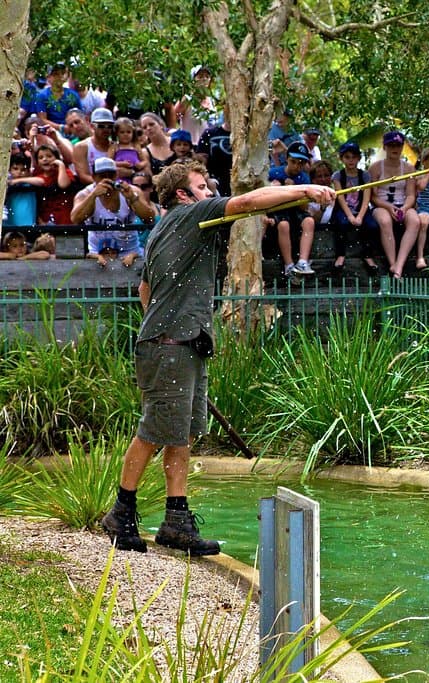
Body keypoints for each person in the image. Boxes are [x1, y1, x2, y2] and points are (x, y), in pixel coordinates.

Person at [100, 159, 335, 555]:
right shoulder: (191, 214)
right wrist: (305, 191)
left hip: (182, 343)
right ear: (183, 194)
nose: (209, 193)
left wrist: (166, 324)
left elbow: (145, 289)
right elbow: (248, 202)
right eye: (203, 187)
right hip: (170, 346)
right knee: (153, 431)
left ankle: (176, 520)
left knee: (181, 433)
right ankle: (120, 514)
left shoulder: (161, 230)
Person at [71, 157, 156, 266]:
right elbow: (75, 219)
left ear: (116, 175)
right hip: (98, 254)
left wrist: (132, 198)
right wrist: (93, 196)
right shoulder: (84, 194)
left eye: (110, 175)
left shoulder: (132, 191)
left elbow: (149, 218)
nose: (107, 179)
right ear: (94, 177)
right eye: (102, 176)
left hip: (130, 253)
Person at [369, 130, 420, 278]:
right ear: (384, 147)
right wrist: (388, 207)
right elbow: (373, 196)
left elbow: (411, 195)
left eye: (398, 145)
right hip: (382, 205)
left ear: (402, 147)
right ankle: (392, 263)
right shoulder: (375, 168)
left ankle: (399, 265)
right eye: (391, 145)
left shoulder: (409, 168)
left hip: (403, 204)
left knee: (415, 221)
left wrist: (404, 208)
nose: (394, 149)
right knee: (385, 221)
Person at [331, 141, 381, 273]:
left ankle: (368, 255)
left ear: (358, 158)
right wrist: (350, 216)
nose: (351, 160)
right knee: (341, 224)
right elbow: (340, 198)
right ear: (342, 158)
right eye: (347, 157)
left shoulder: (365, 175)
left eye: (354, 157)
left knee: (372, 226)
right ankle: (340, 255)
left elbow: (366, 199)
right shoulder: (338, 176)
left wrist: (359, 216)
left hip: (361, 209)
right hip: (344, 209)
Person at [268, 141, 315, 276]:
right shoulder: (273, 173)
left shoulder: (304, 179)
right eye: (293, 162)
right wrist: (275, 189)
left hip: (296, 210)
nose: (296, 166)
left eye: (301, 163)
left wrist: (294, 190)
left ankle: (303, 262)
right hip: (278, 210)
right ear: (287, 159)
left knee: (309, 221)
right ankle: (288, 264)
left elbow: (304, 206)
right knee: (283, 225)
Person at [72, 107, 115, 185]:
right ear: (92, 126)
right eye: (101, 126)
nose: (106, 129)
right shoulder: (81, 147)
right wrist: (105, 184)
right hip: (92, 187)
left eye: (110, 126)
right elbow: (83, 176)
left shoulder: (116, 146)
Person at [30, 63, 82, 127]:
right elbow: (42, 120)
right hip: (50, 130)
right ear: (49, 77)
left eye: (62, 73)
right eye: (56, 74)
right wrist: (62, 128)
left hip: (72, 128)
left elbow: (80, 116)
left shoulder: (73, 95)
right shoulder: (42, 96)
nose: (60, 76)